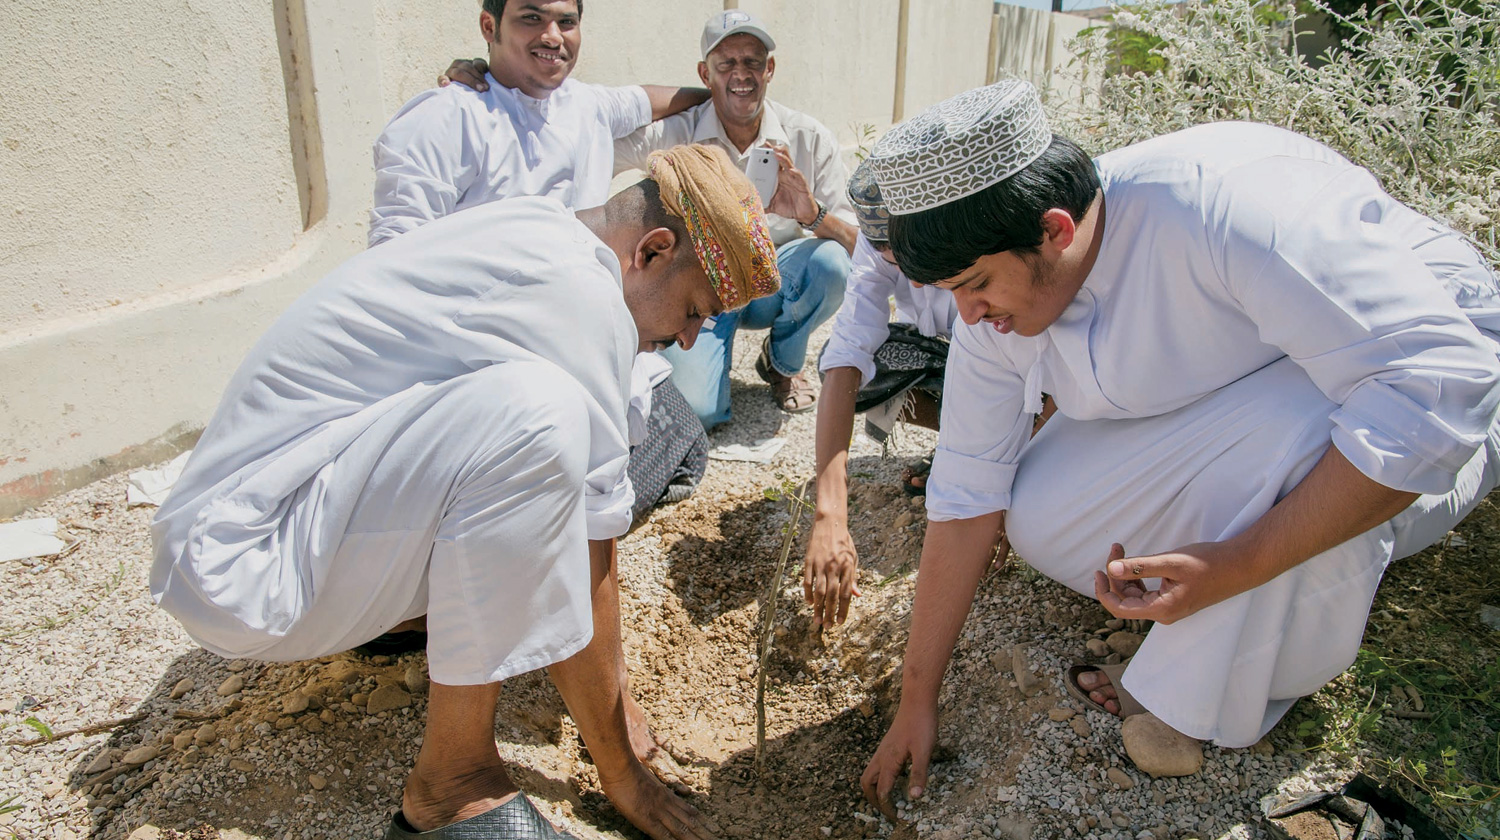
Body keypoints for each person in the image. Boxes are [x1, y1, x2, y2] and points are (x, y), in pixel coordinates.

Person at [859, 80, 1500, 819]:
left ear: (1057, 230)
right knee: (1036, 512)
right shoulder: (996, 304)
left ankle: (1196, 690)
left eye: (975, 286)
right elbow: (969, 492)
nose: (968, 317)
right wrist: (917, 699)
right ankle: (1231, 566)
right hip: (1256, 388)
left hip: (1431, 387)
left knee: (1295, 438)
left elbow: (1437, 389)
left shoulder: (1226, 207)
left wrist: (1238, 565)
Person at [151, 145, 779, 840]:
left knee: (589, 430)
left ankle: (406, 624)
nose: (690, 339)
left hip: (265, 530)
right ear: (654, 251)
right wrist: (623, 772)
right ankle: (451, 783)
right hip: (249, 568)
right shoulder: (582, 294)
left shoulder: (544, 232)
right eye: (695, 310)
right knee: (540, 416)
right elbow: (587, 553)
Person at [374, 0, 713, 525]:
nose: (553, 36)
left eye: (567, 22)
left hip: (587, 329)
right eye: (531, 19)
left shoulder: (587, 106)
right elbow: (391, 265)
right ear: (490, 26)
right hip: (489, 351)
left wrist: (724, 89)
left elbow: (658, 99)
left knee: (688, 446)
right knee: (556, 469)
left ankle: (551, 522)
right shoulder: (449, 117)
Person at [612, 10, 858, 426]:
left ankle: (782, 364)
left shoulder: (808, 137)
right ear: (705, 74)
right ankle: (710, 360)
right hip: (703, 292)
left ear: (770, 69)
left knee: (831, 263)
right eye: (726, 63)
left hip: (772, 284)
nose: (741, 74)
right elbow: (596, 137)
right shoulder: (678, 131)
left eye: (752, 62)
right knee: (698, 413)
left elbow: (860, 245)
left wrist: (811, 214)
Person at [803, 160, 958, 628]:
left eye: (921, 262)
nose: (911, 280)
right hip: (950, 356)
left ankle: (979, 454)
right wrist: (830, 514)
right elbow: (849, 351)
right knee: (850, 367)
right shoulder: (876, 239)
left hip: (1013, 366)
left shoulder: (972, 234)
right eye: (895, 262)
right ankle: (961, 448)